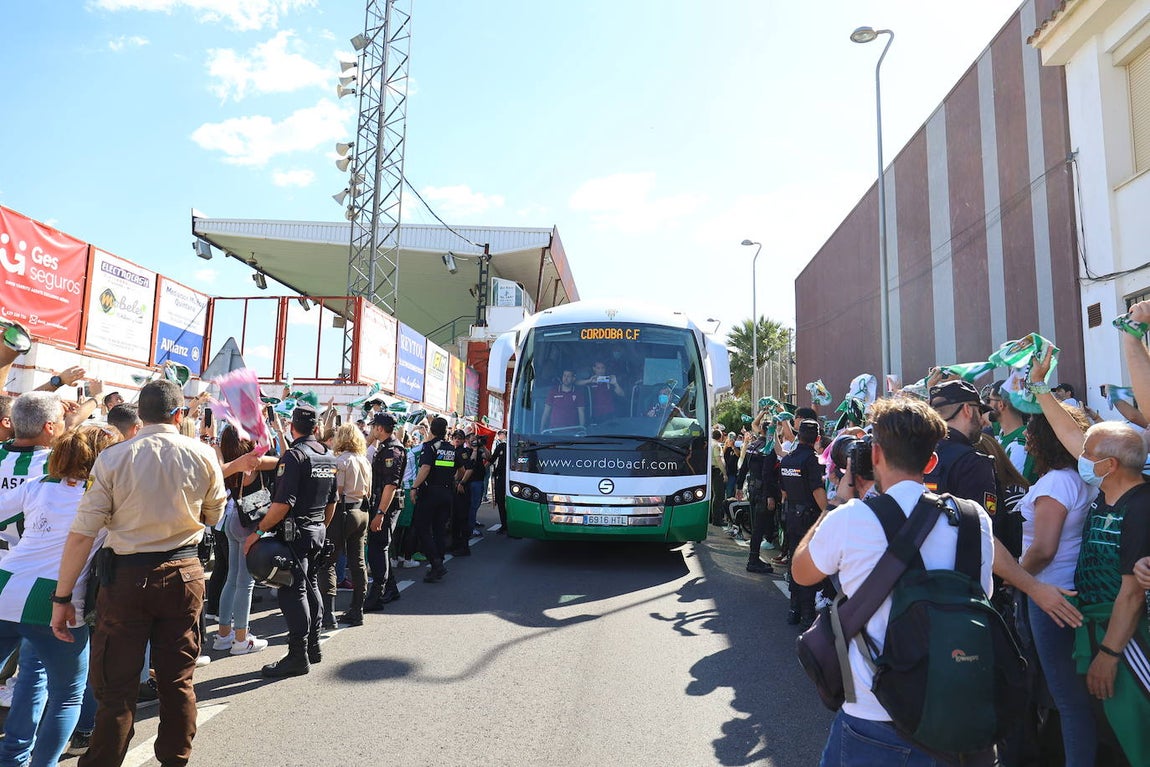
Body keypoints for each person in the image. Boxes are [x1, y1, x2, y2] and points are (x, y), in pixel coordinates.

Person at [792, 396, 996, 767]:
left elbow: (802, 572)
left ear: (876, 456)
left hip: (875, 715)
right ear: (932, 461)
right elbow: (980, 594)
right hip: (957, 714)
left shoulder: (852, 518)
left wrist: (837, 503)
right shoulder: (973, 518)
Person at [50, 379, 227, 767]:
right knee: (177, 681)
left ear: (139, 416)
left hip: (126, 578)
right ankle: (175, 759)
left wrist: (62, 598)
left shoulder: (113, 458)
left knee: (116, 687)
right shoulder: (203, 454)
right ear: (179, 414)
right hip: (184, 571)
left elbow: (83, 533)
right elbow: (213, 515)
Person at [0, 425, 120, 767]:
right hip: (56, 599)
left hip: (5, 583)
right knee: (67, 696)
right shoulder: (106, 495)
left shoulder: (37, 484)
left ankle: (12, 759)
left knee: (33, 679)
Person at [245, 406, 337, 679]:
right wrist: (320, 528)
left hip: (296, 533)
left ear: (291, 428)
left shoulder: (294, 457)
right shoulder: (328, 456)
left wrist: (257, 533)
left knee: (292, 592)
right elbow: (332, 501)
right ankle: (313, 646)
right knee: (311, 586)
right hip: (317, 530)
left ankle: (298, 655)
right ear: (317, 429)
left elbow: (282, 504)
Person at [211, 426, 271, 656]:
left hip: (230, 518)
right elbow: (278, 459)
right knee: (245, 583)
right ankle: (240, 638)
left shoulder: (223, 457)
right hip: (248, 521)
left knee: (231, 579)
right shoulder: (253, 460)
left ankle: (223, 635)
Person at [320, 423, 371, 626]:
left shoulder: (340, 461)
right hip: (361, 511)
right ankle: (357, 610)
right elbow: (368, 490)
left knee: (328, 561)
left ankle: (328, 614)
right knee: (358, 563)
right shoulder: (364, 461)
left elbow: (336, 491)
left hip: (343, 511)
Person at [923, 380, 998, 516]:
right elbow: (982, 528)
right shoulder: (973, 462)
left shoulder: (917, 453)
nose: (982, 419)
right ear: (967, 410)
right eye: (979, 411)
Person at [778, 419, 826, 625]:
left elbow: (784, 491)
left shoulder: (788, 460)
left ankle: (793, 610)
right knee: (808, 564)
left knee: (794, 562)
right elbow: (817, 491)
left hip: (790, 516)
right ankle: (807, 616)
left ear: (798, 436)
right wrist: (828, 513)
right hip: (809, 519)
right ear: (816, 438)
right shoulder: (811, 460)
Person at [363, 414, 405, 613]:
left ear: (379, 428)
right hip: (381, 504)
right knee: (381, 548)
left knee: (378, 548)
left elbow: (390, 485)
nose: (372, 431)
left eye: (374, 428)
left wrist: (380, 513)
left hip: (385, 506)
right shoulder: (386, 447)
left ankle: (376, 595)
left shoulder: (392, 451)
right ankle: (391, 587)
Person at [409, 417, 459, 584]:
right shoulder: (450, 448)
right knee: (439, 529)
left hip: (430, 492)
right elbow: (460, 469)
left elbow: (425, 467)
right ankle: (439, 562)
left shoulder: (430, 447)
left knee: (422, 527)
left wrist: (415, 487)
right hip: (447, 492)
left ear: (432, 430)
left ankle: (436, 564)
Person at [738, 411, 781, 573]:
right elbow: (767, 473)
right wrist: (770, 495)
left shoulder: (752, 445)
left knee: (757, 526)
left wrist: (738, 487)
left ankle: (754, 558)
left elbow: (743, 468)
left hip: (752, 489)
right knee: (759, 528)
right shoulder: (768, 449)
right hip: (763, 491)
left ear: (761, 431)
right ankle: (753, 560)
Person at [490, 429, 509, 534]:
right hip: (507, 477)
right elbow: (492, 459)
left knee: (502, 501)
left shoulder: (502, 446)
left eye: (500, 434)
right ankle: (506, 524)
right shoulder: (503, 446)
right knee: (503, 502)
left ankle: (505, 524)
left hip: (503, 477)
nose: (499, 436)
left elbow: (491, 459)